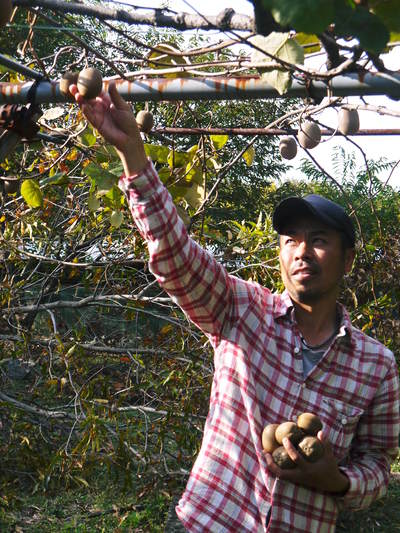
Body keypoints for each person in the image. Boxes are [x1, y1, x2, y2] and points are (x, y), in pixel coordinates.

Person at [70, 82, 400, 532]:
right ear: (280, 255)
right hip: (206, 523)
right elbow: (174, 252)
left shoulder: (376, 365)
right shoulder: (240, 309)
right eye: (290, 241)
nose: (302, 251)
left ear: (349, 259)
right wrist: (132, 152)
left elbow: (378, 465)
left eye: (319, 241)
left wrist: (337, 480)